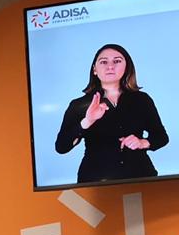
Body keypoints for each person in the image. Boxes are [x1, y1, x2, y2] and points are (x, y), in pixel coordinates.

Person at [55, 43, 168, 184]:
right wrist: (87, 121)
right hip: (96, 181)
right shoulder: (79, 105)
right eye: (103, 62)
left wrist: (142, 142)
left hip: (141, 176)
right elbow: (61, 147)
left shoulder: (142, 100)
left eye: (117, 61)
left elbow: (161, 137)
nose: (110, 66)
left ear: (127, 67)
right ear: (94, 69)